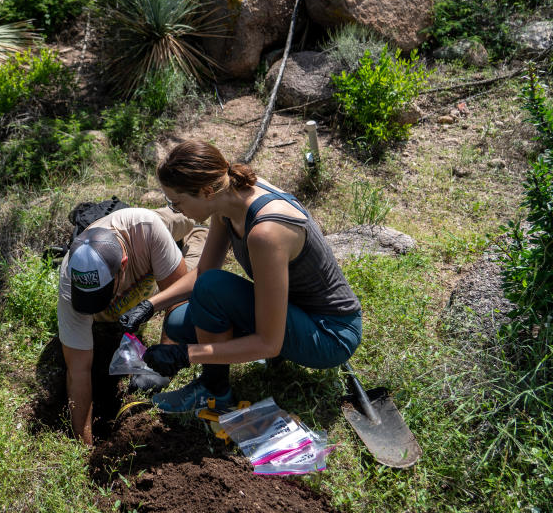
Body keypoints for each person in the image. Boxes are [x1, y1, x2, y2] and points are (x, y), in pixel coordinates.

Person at [138, 140, 362, 413]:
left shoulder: (265, 233)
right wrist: (149, 306)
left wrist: (185, 355)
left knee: (212, 290)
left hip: (330, 334)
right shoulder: (226, 199)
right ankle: (260, 358)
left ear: (206, 190)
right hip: (295, 311)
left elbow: (269, 343)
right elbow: (203, 271)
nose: (177, 210)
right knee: (178, 321)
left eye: (177, 203)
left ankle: (214, 391)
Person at [58, 207, 206, 445]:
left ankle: (197, 231)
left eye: (103, 293)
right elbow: (78, 371)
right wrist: (83, 447)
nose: (97, 305)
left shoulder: (147, 230)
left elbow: (177, 301)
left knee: (193, 219)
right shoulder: (69, 281)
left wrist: (166, 357)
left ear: (123, 265)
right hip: (137, 240)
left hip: (148, 227)